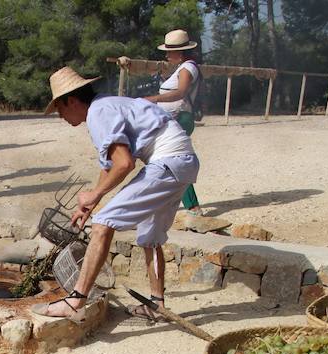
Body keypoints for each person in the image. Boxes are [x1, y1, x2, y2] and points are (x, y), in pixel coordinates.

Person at [32, 67, 199, 322]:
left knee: (102, 224)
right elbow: (109, 166)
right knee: (150, 238)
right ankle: (157, 305)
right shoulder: (109, 105)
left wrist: (95, 196)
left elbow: (124, 164)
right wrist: (91, 201)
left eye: (60, 109)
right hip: (182, 163)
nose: (61, 116)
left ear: (72, 100)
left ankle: (76, 301)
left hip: (166, 162)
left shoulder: (98, 113)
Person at [143, 29, 202, 216]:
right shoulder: (183, 68)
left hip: (180, 118)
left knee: (172, 159)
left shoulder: (187, 69)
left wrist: (152, 99)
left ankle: (191, 206)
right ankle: (179, 202)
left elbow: (180, 93)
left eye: (169, 51)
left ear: (180, 52)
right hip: (177, 118)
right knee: (170, 159)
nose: (167, 55)